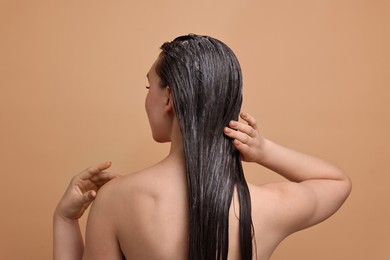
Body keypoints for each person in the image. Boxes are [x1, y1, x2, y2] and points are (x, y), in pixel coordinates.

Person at [53, 34, 352, 260]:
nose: (147, 98)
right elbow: (336, 182)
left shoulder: (116, 200)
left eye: (149, 87)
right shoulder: (265, 207)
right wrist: (263, 150)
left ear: (168, 98)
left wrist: (65, 220)